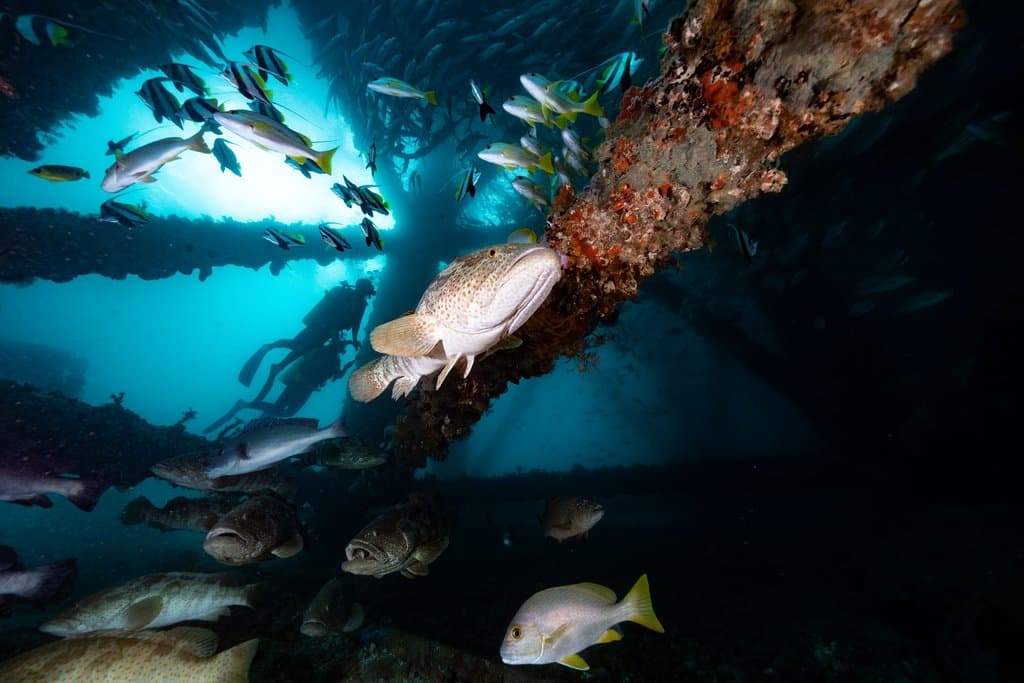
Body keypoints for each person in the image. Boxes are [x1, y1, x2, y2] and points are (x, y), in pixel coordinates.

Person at [204, 279, 375, 433]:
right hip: (319, 331)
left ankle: (275, 363)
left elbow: (355, 324)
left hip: (321, 337)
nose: (366, 294)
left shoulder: (357, 303)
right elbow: (337, 323)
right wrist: (341, 340)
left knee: (296, 350)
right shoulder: (348, 298)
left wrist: (352, 341)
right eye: (366, 290)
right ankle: (271, 351)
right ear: (363, 289)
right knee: (296, 347)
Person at [204, 338, 355, 432]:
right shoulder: (326, 355)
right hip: (302, 387)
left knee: (279, 409)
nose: (343, 351)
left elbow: (333, 377)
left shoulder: (330, 357)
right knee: (287, 412)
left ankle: (250, 409)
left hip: (299, 385)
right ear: (337, 346)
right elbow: (314, 369)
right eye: (343, 348)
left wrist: (347, 366)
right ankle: (247, 407)